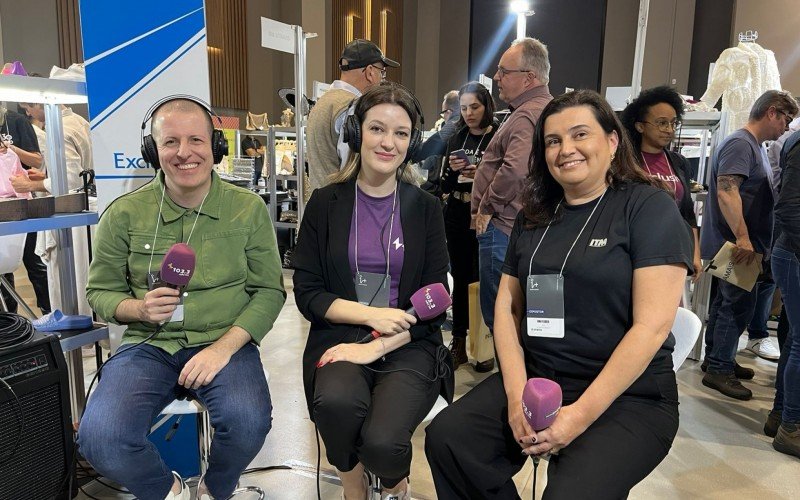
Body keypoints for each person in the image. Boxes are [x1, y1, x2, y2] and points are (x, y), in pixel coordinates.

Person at [426, 90, 693, 499]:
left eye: (579, 134)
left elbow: (652, 327)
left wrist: (578, 418)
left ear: (612, 140)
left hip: (628, 396)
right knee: (449, 439)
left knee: (571, 492)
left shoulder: (648, 209)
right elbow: (507, 307)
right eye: (553, 141)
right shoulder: (533, 214)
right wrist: (516, 397)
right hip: (539, 378)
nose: (566, 149)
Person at [79, 97, 286, 500]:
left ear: (216, 146)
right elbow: (98, 293)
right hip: (149, 344)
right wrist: (137, 308)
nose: (184, 152)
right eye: (170, 141)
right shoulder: (124, 214)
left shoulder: (247, 210)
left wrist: (224, 349)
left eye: (196, 140)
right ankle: (170, 492)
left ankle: (216, 489)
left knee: (248, 425)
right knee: (102, 438)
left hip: (224, 342)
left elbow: (269, 291)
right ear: (152, 151)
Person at [292, 83, 452, 500]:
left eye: (401, 133)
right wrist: (368, 317)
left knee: (383, 442)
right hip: (341, 335)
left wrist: (377, 345)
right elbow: (308, 292)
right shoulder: (325, 204)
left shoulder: (426, 207)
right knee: (338, 406)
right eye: (377, 129)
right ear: (356, 134)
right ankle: (352, 487)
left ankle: (396, 484)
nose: (388, 142)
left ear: (411, 142)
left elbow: (436, 295)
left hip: (409, 341)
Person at [700, 90, 798, 400]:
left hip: (738, 242)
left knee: (726, 304)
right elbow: (727, 191)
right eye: (786, 119)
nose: (787, 126)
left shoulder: (750, 145)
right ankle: (719, 368)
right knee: (737, 307)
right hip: (737, 244)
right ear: (771, 112)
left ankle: (717, 358)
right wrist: (742, 238)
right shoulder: (742, 144)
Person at [471, 38, 553, 371]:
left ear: (529, 77)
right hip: (529, 227)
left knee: (502, 316)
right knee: (533, 314)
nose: (497, 76)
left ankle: (514, 383)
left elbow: (516, 169)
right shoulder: (544, 109)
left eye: (505, 71)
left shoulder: (526, 116)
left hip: (504, 227)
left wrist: (487, 206)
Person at [440, 82, 497, 368]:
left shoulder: (498, 135)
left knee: (484, 279)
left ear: (486, 105)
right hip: (458, 211)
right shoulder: (457, 137)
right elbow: (445, 184)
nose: (469, 113)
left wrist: (482, 173)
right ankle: (460, 341)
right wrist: (453, 170)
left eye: (474, 106)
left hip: (488, 214)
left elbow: (511, 178)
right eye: (464, 108)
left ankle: (484, 345)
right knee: (460, 279)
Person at [621, 85, 702, 279]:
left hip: (673, 249)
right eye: (661, 123)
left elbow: (687, 213)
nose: (669, 130)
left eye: (673, 123)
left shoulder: (679, 162)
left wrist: (695, 253)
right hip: (635, 250)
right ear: (640, 126)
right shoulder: (625, 163)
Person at [306, 39, 398, 193]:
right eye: (381, 72)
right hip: (344, 206)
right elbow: (352, 169)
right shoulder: (352, 106)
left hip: (321, 202)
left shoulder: (322, 103)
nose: (382, 79)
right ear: (370, 72)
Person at [767, 127, 800, 457]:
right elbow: (789, 207)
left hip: (790, 251)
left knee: (794, 338)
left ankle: (783, 415)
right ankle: (790, 425)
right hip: (793, 253)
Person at [0, 104, 49, 315]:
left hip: (21, 203)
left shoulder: (16, 121)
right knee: (3, 270)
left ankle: (49, 313)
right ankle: (10, 321)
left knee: (35, 263)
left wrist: (10, 150)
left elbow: (37, 160)